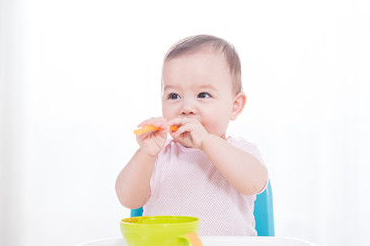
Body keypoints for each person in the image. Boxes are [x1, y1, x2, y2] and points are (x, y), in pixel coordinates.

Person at [115, 35, 268, 235]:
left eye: (203, 95)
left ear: (235, 107)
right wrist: (145, 154)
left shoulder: (240, 151)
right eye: (174, 96)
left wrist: (206, 141)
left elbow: (255, 182)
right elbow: (128, 199)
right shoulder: (159, 156)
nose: (186, 108)